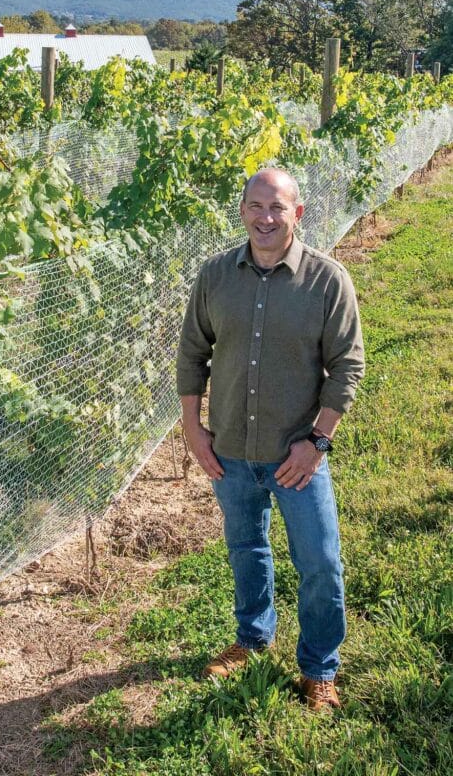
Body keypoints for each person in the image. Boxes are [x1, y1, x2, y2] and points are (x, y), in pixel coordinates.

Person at [176, 167, 365, 711]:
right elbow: (193, 353)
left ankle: (319, 668)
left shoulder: (328, 282)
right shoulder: (214, 277)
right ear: (242, 210)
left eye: (277, 207)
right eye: (256, 206)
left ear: (297, 214)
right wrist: (193, 427)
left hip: (296, 455)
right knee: (245, 548)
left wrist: (317, 442)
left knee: (320, 561)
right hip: (230, 450)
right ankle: (252, 638)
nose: (265, 217)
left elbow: (347, 367)